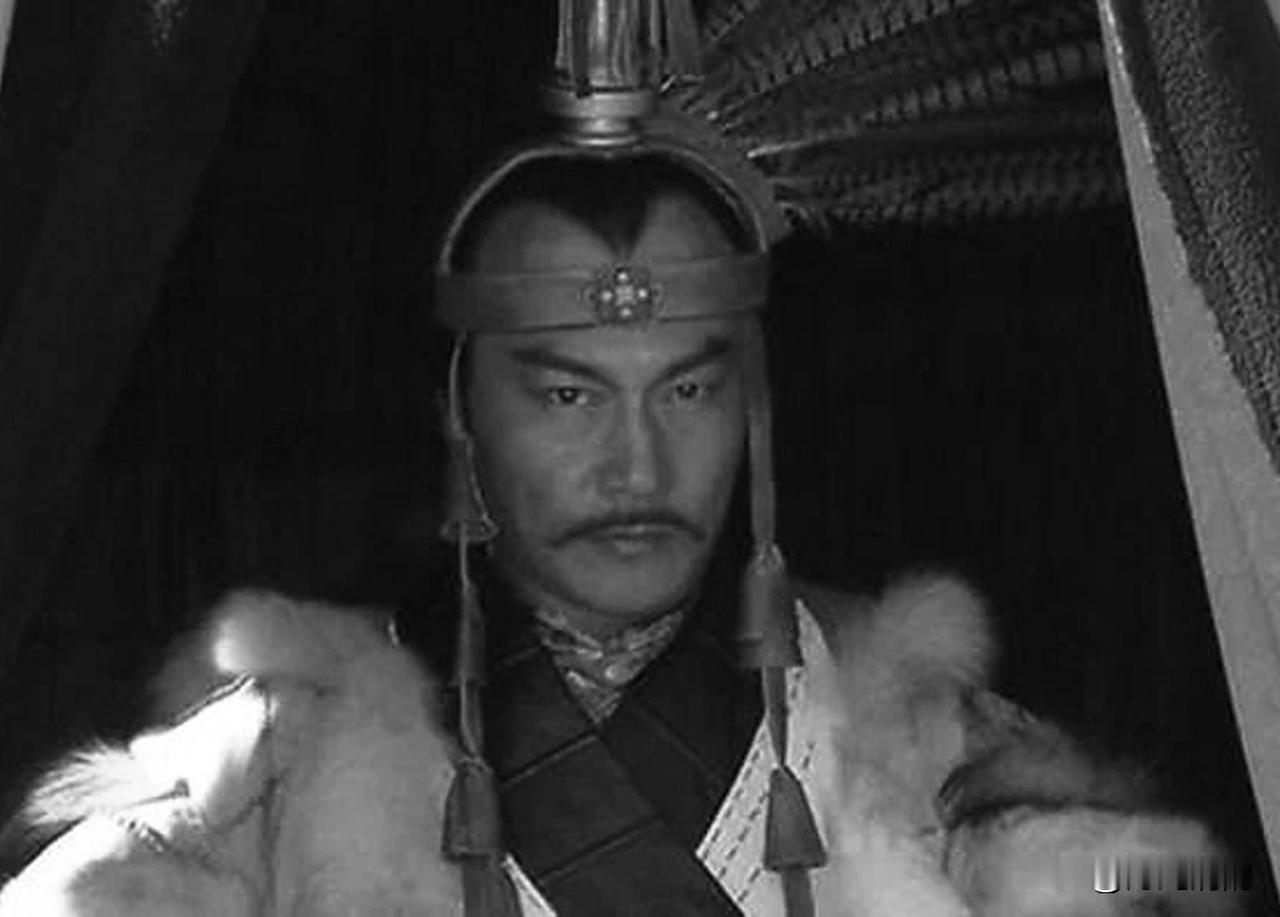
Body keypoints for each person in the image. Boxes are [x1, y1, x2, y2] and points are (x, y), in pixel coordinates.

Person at [0, 3, 1248, 915]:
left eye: (687, 389)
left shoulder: (897, 713)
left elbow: (1194, 876)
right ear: (462, 414)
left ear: (753, 406)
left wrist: (1090, 877)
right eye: (566, 394)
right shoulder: (294, 743)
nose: (635, 461)